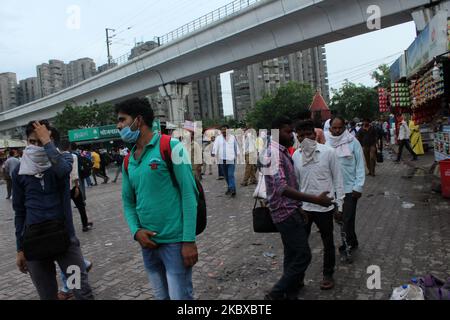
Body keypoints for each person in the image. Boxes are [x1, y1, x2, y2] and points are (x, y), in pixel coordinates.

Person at [116, 97, 199, 300]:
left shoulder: (171, 147)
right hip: (148, 244)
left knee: (181, 298)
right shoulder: (128, 160)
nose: (118, 126)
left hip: (175, 243)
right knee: (161, 297)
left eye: (122, 120)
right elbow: (128, 202)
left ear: (138, 120)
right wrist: (136, 232)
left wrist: (189, 240)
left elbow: (189, 194)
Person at [12, 120, 93, 300]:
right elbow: (19, 212)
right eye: (32, 142)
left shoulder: (62, 161)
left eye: (41, 141)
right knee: (48, 295)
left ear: (51, 142)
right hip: (35, 244)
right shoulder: (19, 171)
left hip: (65, 241)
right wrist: (20, 249)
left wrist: (47, 143)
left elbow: (63, 171)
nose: (36, 146)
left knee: (80, 290)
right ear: (26, 142)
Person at [263, 116, 333, 300]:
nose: (292, 135)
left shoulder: (283, 151)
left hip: (291, 210)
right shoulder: (273, 154)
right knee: (303, 256)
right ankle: (276, 293)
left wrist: (299, 206)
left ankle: (290, 293)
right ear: (277, 133)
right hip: (284, 214)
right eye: (288, 131)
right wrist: (315, 200)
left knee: (292, 255)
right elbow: (281, 188)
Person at [292, 120, 344, 290]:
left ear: (315, 135)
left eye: (308, 134)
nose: (305, 138)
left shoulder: (329, 153)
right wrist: (298, 206)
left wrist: (339, 206)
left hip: (325, 208)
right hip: (305, 209)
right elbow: (296, 184)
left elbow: (338, 180)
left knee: (328, 243)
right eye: (301, 136)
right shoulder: (296, 156)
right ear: (297, 138)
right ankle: (298, 276)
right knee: (301, 244)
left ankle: (328, 274)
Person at [327, 116, 365, 253]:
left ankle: (347, 243)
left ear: (344, 127)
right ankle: (352, 240)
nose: (337, 131)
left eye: (340, 128)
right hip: (333, 189)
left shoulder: (353, 142)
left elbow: (360, 165)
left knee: (347, 218)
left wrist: (358, 186)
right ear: (330, 128)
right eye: (334, 128)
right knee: (339, 218)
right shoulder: (327, 144)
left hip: (350, 188)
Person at [61, 141, 94, 232]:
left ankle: (65, 229)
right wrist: (76, 187)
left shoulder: (57, 157)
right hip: (72, 186)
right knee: (80, 206)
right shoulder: (73, 156)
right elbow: (74, 173)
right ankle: (85, 224)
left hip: (62, 188)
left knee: (64, 210)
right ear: (69, 147)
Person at [212, 125, 240, 197]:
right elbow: (215, 146)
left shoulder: (232, 137)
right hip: (222, 159)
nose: (224, 131)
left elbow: (236, 146)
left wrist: (238, 154)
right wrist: (213, 153)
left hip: (231, 159)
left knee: (230, 175)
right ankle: (230, 187)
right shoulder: (218, 138)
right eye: (222, 130)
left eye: (225, 129)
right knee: (226, 175)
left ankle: (232, 189)